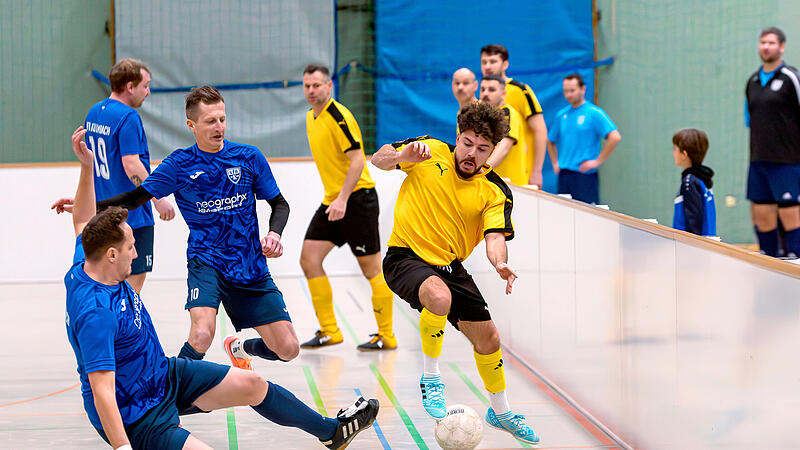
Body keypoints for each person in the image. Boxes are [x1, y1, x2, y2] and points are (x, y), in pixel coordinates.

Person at [60, 125, 379, 450]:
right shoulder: (96, 312)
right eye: (131, 245)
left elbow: (81, 219)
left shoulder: (87, 258)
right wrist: (122, 447)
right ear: (112, 255)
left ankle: (331, 431)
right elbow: (101, 391)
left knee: (253, 384)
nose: (137, 251)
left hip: (165, 375)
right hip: (139, 415)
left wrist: (87, 167)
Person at [56, 86, 300, 370]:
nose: (219, 126)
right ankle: (171, 392)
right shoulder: (179, 164)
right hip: (206, 263)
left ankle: (240, 347)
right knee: (201, 334)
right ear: (191, 125)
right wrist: (89, 204)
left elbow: (280, 204)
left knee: (288, 349)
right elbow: (135, 198)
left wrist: (274, 233)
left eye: (222, 119)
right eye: (210, 121)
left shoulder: (248, 157)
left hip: (249, 266)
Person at [370, 102, 539, 444]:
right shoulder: (429, 150)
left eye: (482, 149)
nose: (471, 154)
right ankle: (431, 379)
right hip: (405, 256)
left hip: (450, 266)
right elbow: (379, 159)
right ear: (457, 135)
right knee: (438, 296)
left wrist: (499, 262)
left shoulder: (494, 190)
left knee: (489, 338)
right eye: (467, 143)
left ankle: (501, 411)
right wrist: (403, 158)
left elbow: (494, 238)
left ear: (492, 151)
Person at [299, 64, 396, 351]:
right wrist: (336, 199)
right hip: (334, 200)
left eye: (317, 85)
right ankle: (330, 330)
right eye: (307, 86)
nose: (312, 90)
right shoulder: (310, 117)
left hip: (357, 200)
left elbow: (357, 161)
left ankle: (386, 335)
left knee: (372, 270)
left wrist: (343, 200)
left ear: (329, 86)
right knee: (309, 259)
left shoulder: (339, 117)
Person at [84, 58, 175, 293]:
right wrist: (158, 198)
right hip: (131, 217)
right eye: (145, 86)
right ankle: (124, 330)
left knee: (108, 283)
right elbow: (131, 163)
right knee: (131, 287)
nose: (148, 91)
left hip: (103, 214)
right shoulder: (128, 117)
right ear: (130, 86)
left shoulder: (95, 111)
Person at [745, 27, 800, 258]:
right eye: (763, 42)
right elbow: (750, 121)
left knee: (790, 214)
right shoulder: (753, 81)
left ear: (782, 47)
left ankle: (796, 262)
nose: (766, 46)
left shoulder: (791, 77)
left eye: (771, 43)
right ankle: (768, 261)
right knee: (761, 214)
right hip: (758, 161)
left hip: (787, 161)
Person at [547, 73, 621, 204]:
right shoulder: (562, 115)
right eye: (565, 91)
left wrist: (597, 161)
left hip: (584, 175)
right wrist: (555, 163)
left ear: (583, 89)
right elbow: (550, 140)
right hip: (564, 175)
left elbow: (615, 137)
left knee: (587, 216)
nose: (568, 95)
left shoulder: (594, 113)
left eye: (572, 90)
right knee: (564, 212)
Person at [480, 44, 547, 187]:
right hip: (490, 173)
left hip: (517, 171)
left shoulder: (521, 91)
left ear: (505, 64)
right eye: (484, 62)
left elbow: (540, 129)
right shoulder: (483, 97)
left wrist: (537, 170)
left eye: (493, 61)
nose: (487, 66)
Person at [480, 74, 528, 185]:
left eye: (491, 90)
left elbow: (504, 147)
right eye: (482, 90)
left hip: (511, 187)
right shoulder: (481, 115)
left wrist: (481, 169)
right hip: (490, 183)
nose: (485, 93)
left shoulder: (508, 113)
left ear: (503, 93)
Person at [671, 129, 716, 236]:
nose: (673, 153)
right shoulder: (702, 180)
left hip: (690, 248)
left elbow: (693, 222)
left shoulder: (689, 182)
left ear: (684, 154)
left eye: (675, 149)